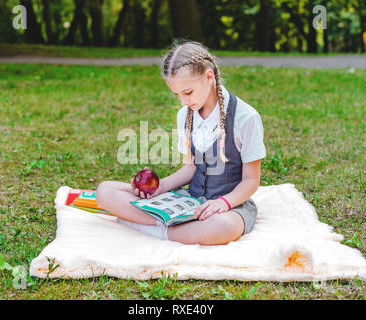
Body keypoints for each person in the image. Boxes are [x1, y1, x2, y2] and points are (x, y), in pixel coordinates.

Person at [95, 40, 266, 245]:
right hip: (190, 202)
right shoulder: (185, 115)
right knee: (105, 191)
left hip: (229, 206)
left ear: (209, 77)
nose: (183, 102)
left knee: (224, 227)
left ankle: (151, 229)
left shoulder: (246, 118)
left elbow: (250, 181)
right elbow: (191, 167)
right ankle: (175, 228)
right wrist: (161, 188)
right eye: (177, 94)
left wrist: (222, 203)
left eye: (188, 92)